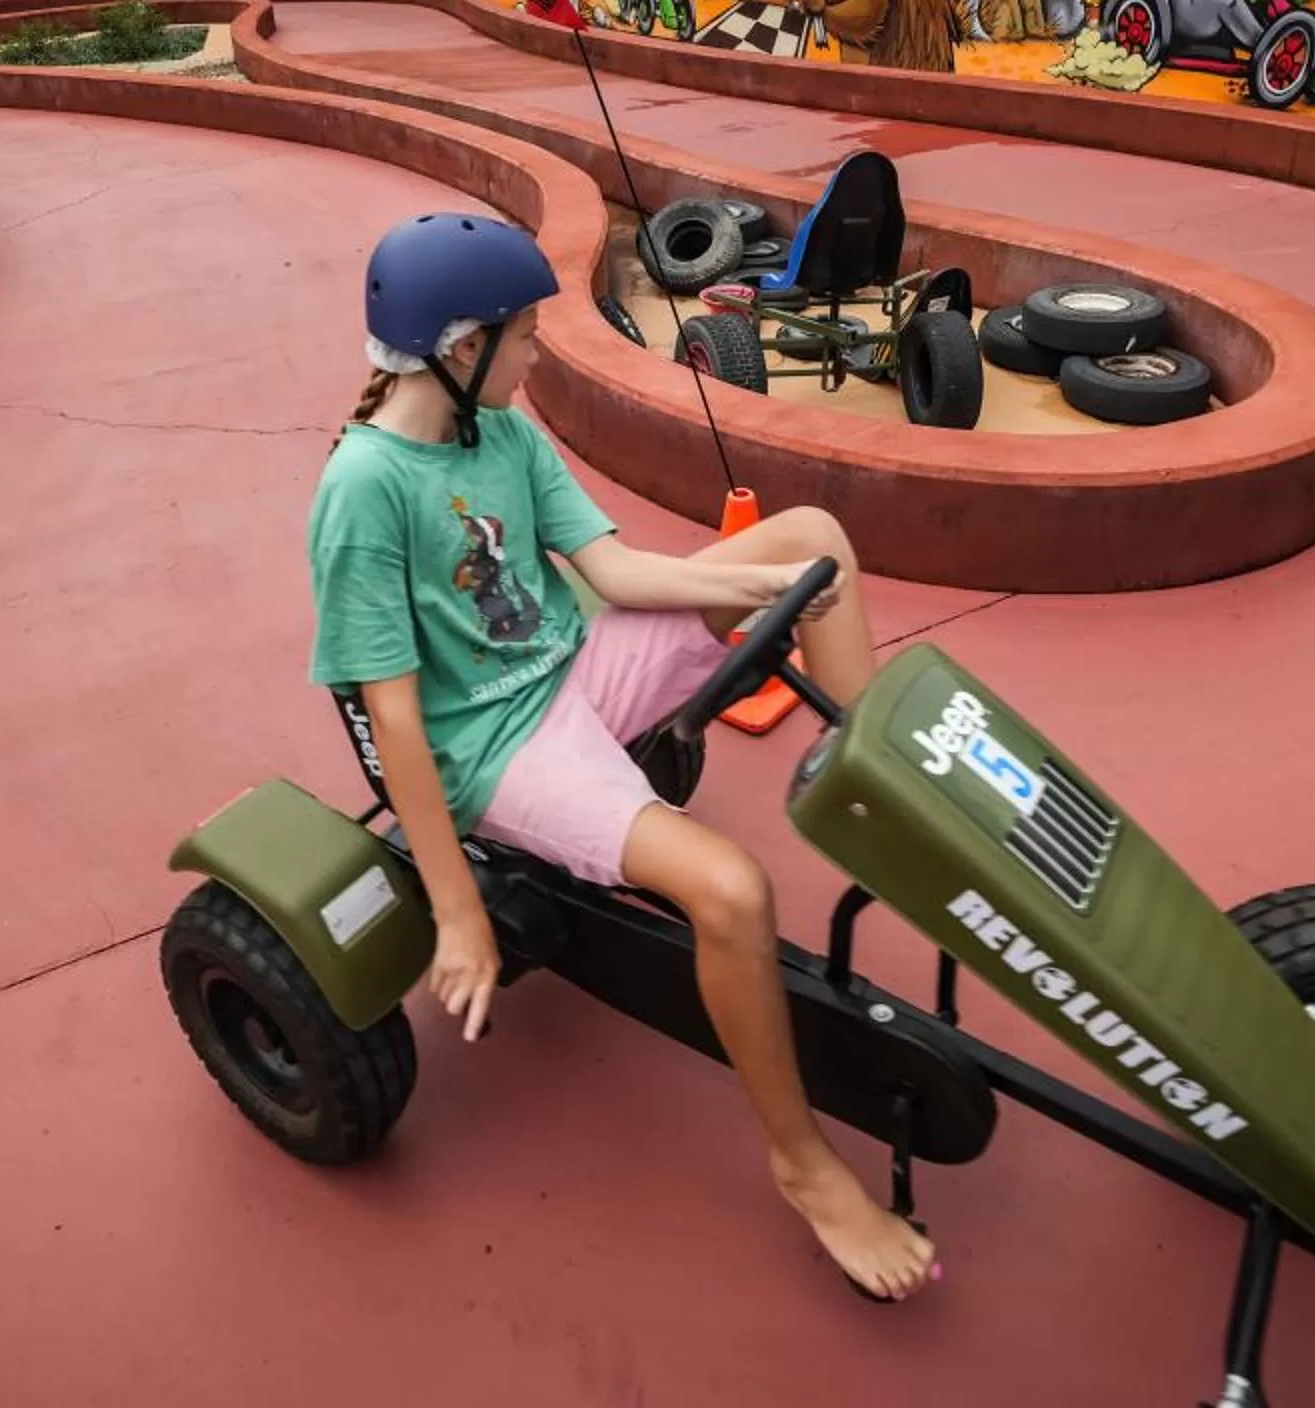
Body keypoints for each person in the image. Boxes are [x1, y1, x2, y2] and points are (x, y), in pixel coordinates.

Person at [308, 213, 938, 1302]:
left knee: (815, 538)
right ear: (464, 349)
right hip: (495, 744)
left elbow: (616, 569)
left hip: (575, 661)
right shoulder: (366, 489)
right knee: (730, 891)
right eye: (528, 336)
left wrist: (765, 592)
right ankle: (804, 1165)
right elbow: (397, 718)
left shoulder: (498, 432)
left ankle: (880, 801)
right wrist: (457, 907)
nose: (541, 352)